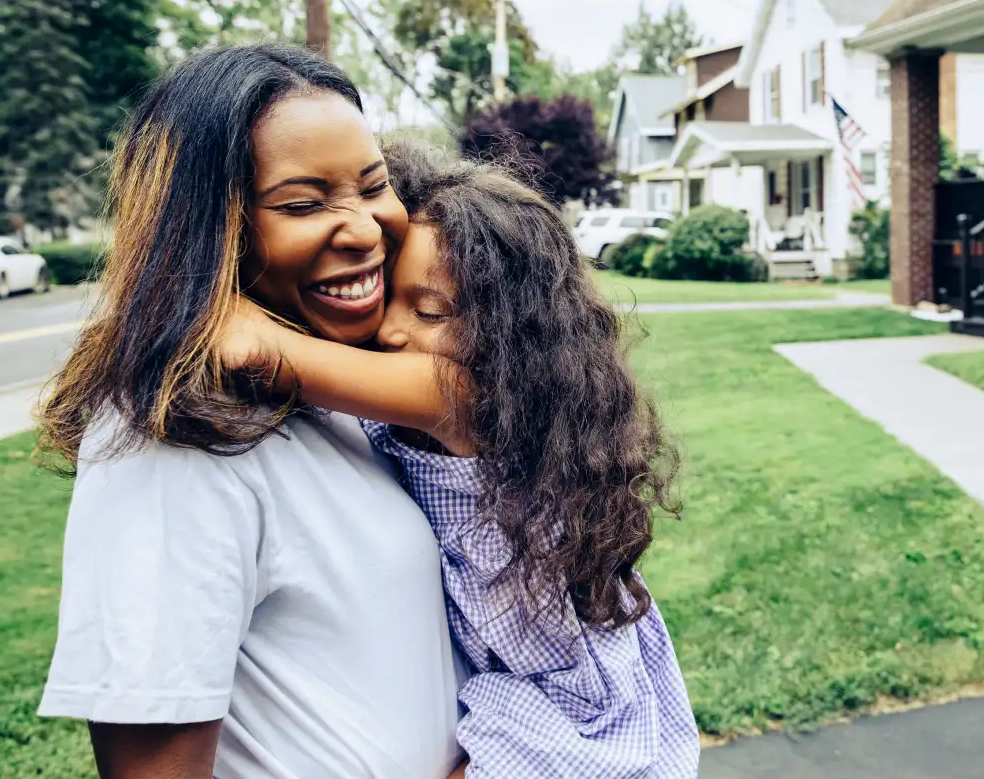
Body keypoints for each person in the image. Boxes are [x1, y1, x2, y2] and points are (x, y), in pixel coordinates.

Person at [37, 45, 466, 779]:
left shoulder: (334, 384)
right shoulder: (168, 443)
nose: (364, 228)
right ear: (207, 230)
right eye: (302, 204)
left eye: (373, 185)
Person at [222, 142, 700, 778]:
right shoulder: (423, 390)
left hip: (571, 718)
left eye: (429, 311)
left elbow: (254, 349)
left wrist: (192, 287)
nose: (389, 330)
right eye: (388, 295)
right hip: (513, 687)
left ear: (507, 341)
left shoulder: (463, 399)